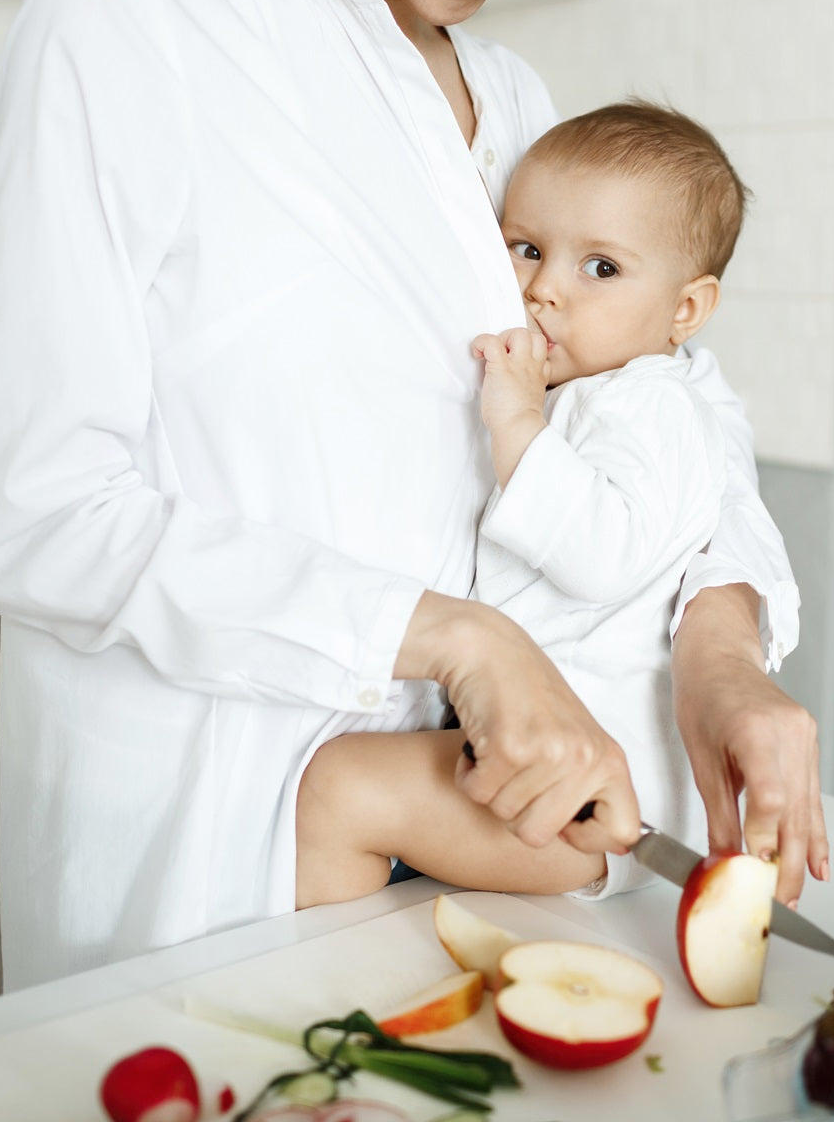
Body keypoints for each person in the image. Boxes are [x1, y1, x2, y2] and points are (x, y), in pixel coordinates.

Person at [0, 0, 828, 992]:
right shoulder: (137, 13)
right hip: (218, 850)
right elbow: (42, 515)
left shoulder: (514, 101)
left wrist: (719, 648)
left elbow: (681, 406)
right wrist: (456, 639)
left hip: (471, 861)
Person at [297, 102, 751, 905]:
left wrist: (516, 422)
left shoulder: (653, 406)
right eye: (528, 249)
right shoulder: (595, 391)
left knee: (340, 788)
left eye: (600, 268)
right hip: (546, 767)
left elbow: (606, 551)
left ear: (686, 310)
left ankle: (320, 994)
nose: (544, 290)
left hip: (587, 790)